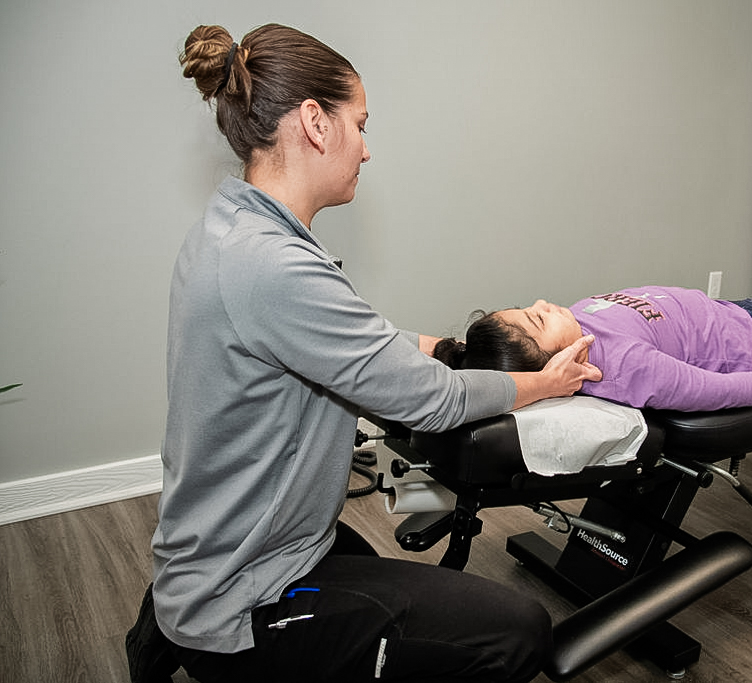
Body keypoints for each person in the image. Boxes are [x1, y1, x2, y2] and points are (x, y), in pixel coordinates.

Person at [126, 23, 601, 683]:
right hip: (241, 601)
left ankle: (173, 625)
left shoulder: (233, 229)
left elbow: (352, 337)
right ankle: (204, 644)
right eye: (361, 124)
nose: (367, 149)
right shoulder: (273, 266)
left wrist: (446, 346)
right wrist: (542, 385)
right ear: (315, 123)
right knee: (517, 631)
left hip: (223, 551)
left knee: (352, 551)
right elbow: (433, 402)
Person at [434, 259, 752, 413]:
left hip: (725, 315)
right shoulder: (623, 367)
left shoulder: (580, 326)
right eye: (537, 319)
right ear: (557, 363)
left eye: (528, 307)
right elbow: (708, 391)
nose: (542, 304)